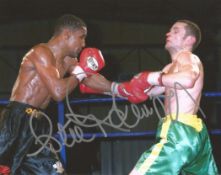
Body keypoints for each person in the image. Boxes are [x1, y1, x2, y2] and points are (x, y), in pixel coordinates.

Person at [0, 14, 108, 175]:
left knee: (54, 172)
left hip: (38, 126)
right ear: (66, 35)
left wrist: (117, 89)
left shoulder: (68, 61)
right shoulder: (41, 52)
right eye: (81, 37)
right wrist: (82, 72)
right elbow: (58, 92)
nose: (84, 44)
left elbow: (88, 79)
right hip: (16, 120)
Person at [127, 20, 219, 174]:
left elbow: (188, 79)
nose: (168, 34)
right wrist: (111, 87)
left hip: (180, 132)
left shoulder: (188, 57)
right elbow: (147, 92)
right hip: (191, 134)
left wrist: (152, 77)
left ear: (189, 40)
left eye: (175, 31)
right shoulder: (169, 69)